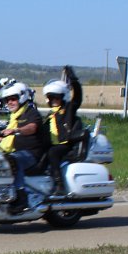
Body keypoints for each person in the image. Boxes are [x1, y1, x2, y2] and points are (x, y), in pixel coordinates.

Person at [0, 81, 45, 213]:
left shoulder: (31, 113)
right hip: (16, 151)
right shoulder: (13, 117)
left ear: (22, 97)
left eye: (13, 99)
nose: (10, 102)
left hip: (31, 154)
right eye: (7, 100)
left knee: (13, 159)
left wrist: (16, 130)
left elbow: (32, 127)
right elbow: (7, 136)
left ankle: (21, 198)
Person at [42, 66, 84, 197]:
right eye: (51, 98)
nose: (54, 101)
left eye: (56, 98)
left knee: (53, 152)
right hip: (54, 144)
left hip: (66, 144)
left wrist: (74, 80)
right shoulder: (50, 115)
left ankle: (59, 185)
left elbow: (77, 97)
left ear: (63, 97)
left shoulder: (69, 109)